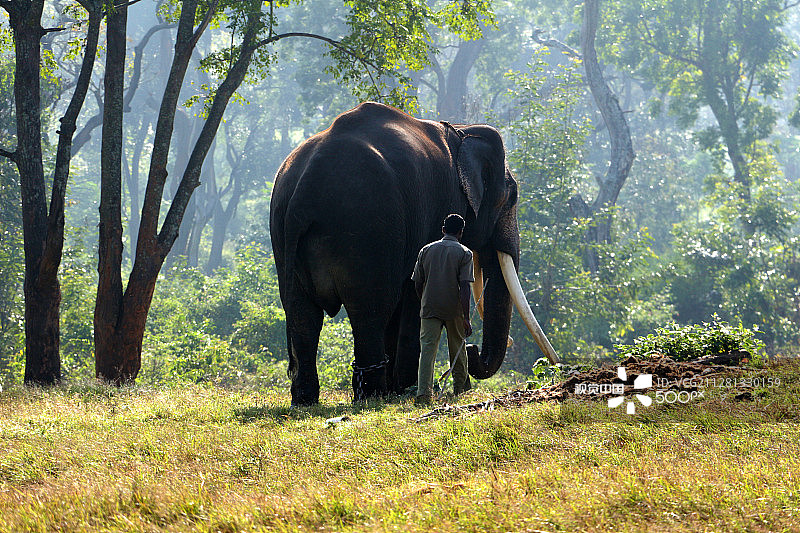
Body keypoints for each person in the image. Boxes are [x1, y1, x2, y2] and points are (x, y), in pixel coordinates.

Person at [411, 214, 474, 404]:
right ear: (461, 232)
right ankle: (460, 390)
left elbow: (417, 282)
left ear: (443, 229)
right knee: (458, 349)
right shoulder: (464, 253)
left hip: (429, 307)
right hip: (454, 309)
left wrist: (424, 300)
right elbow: (464, 286)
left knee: (427, 351)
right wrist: (465, 317)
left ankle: (423, 394)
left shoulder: (426, 250)